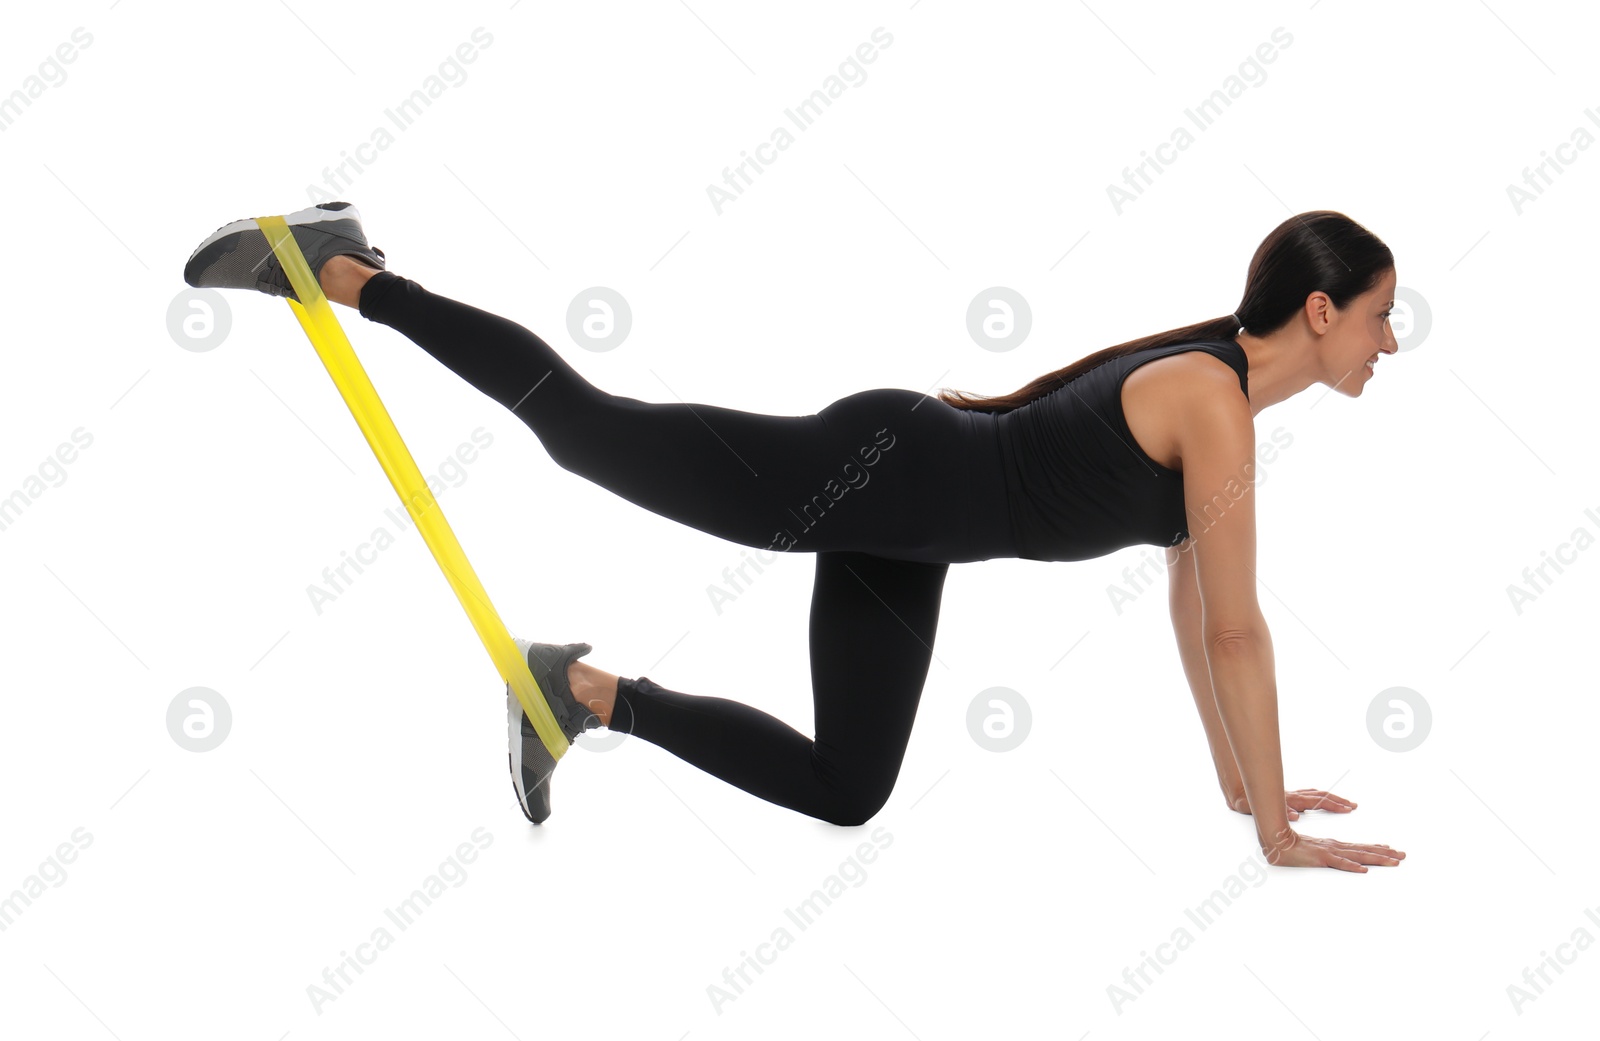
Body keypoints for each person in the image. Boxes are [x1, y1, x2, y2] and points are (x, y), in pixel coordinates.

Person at [184, 202, 1405, 871]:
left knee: (847, 789)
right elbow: (1240, 630)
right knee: (585, 431)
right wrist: (1274, 835)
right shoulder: (1214, 406)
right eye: (1378, 319)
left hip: (914, 529)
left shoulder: (1220, 409)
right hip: (887, 472)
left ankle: (579, 691)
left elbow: (1199, 616)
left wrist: (1246, 790)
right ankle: (343, 267)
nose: (1386, 346)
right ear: (1318, 310)